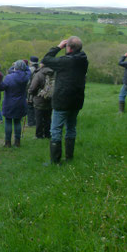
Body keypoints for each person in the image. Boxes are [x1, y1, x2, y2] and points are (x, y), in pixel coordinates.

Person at [41, 36, 88, 164]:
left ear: (69, 48)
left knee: (56, 129)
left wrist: (58, 47)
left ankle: (55, 161)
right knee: (71, 128)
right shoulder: (83, 59)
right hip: (76, 99)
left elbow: (46, 60)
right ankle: (69, 157)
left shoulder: (66, 61)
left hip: (62, 99)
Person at [0, 60, 31, 147]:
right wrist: (24, 65)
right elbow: (28, 71)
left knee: (8, 122)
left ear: (15, 67)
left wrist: (12, 67)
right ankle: (17, 142)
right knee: (17, 122)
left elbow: (2, 87)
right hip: (20, 103)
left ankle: (8, 142)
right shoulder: (26, 77)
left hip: (9, 103)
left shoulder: (9, 77)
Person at [28, 62, 54, 139]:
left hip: (39, 99)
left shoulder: (39, 74)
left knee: (39, 118)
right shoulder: (53, 73)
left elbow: (32, 88)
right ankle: (47, 134)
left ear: (42, 65)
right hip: (50, 99)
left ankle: (39, 135)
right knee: (48, 118)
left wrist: (30, 92)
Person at [26, 56, 39, 127]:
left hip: (31, 89)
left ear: (31, 62)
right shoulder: (39, 69)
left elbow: (28, 81)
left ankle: (31, 122)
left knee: (30, 106)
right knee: (35, 106)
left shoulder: (30, 69)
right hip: (38, 90)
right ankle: (36, 121)